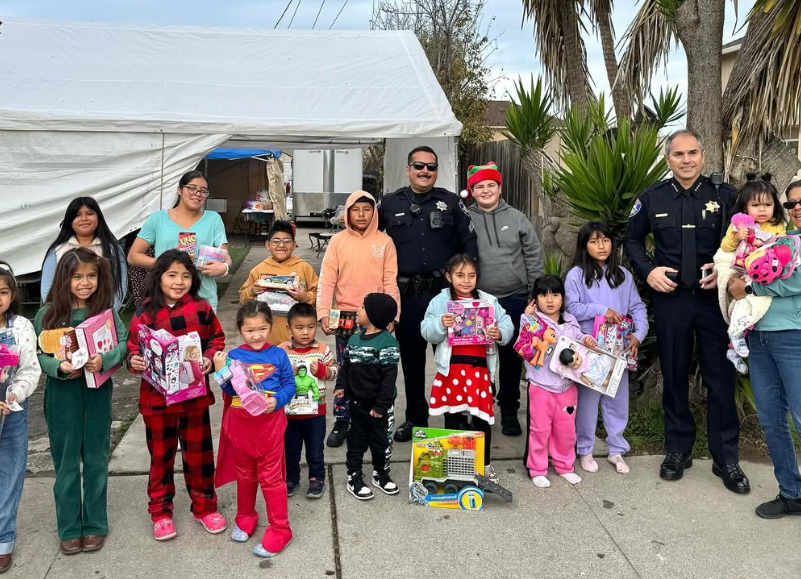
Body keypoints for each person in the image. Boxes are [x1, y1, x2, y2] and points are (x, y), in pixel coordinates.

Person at [624, 129, 750, 493]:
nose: (687, 160)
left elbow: (746, 243)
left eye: (693, 152)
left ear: (703, 156)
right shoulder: (651, 198)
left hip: (715, 302)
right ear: (668, 159)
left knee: (721, 378)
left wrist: (727, 272)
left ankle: (726, 458)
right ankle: (677, 450)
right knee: (675, 374)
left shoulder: (724, 196)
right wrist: (648, 271)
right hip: (672, 300)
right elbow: (631, 238)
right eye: (678, 154)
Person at [378, 146, 478, 442]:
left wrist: (467, 286)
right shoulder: (390, 203)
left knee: (450, 360)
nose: (425, 171)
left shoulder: (451, 203)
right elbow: (368, 238)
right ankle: (416, 419)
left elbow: (469, 244)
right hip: (407, 297)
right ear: (408, 169)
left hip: (444, 297)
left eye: (431, 167)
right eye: (419, 165)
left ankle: (454, 418)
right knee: (411, 362)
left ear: (437, 171)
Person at [127, 249, 227, 541]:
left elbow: (216, 339)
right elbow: (133, 349)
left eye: (185, 275)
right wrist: (134, 360)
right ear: (159, 278)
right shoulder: (144, 313)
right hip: (157, 403)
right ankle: (160, 512)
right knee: (161, 457)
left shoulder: (201, 308)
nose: (179, 281)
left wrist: (209, 359)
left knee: (200, 455)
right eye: (172, 274)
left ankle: (205, 506)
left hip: (193, 399)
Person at [33, 248, 128, 555]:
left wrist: (105, 359)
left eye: (91, 276)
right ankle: (70, 527)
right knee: (66, 464)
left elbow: (124, 344)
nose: (85, 283)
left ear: (100, 279)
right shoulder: (47, 315)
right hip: (63, 399)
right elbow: (38, 354)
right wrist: (57, 367)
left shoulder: (106, 314)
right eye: (77, 276)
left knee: (98, 459)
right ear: (64, 278)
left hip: (98, 395)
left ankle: (96, 524)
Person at [728, 179, 801, 518]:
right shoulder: (778, 241)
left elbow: (792, 281)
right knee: (772, 419)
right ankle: (791, 493)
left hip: (793, 338)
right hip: (759, 337)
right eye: (791, 203)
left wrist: (750, 286)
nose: (796, 207)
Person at [420, 254, 513, 483]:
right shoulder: (440, 302)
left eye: (471, 275)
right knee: (452, 416)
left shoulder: (488, 301)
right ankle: (453, 464)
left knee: (482, 419)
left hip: (479, 371)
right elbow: (426, 330)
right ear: (449, 276)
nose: (466, 280)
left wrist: (499, 333)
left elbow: (507, 322)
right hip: (451, 370)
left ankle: (484, 465)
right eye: (460, 275)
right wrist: (441, 324)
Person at [466, 162, 544, 436]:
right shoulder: (465, 218)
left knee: (511, 359)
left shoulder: (518, 218)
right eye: (479, 187)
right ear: (472, 191)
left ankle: (509, 410)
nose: (486, 190)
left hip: (514, 298)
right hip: (477, 303)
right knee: (479, 360)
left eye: (491, 185)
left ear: (500, 188)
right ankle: (481, 410)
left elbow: (533, 256)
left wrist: (534, 294)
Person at [212, 301, 295, 558]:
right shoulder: (235, 355)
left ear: (271, 326)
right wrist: (221, 371)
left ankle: (281, 528)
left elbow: (290, 385)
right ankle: (246, 516)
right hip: (242, 425)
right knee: (245, 473)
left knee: (271, 478)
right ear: (240, 329)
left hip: (269, 426)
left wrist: (276, 401)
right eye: (250, 330)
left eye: (262, 328)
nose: (257, 335)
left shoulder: (279, 354)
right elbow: (229, 391)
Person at [317, 190, 400, 448]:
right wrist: (322, 313)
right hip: (346, 320)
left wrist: (393, 315)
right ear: (348, 213)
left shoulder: (385, 242)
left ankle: (372, 416)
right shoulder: (338, 242)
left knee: (375, 371)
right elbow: (327, 279)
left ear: (374, 212)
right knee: (346, 370)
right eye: (356, 209)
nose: (361, 214)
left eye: (367, 209)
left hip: (377, 321)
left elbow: (390, 281)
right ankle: (343, 419)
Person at [565, 222, 648, 474]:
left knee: (617, 399)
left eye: (605, 240)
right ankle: (585, 449)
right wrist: (601, 310)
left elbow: (637, 307)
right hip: (590, 349)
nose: (601, 246)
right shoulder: (576, 275)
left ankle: (616, 449)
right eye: (594, 241)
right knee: (588, 401)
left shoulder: (622, 275)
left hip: (619, 347)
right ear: (584, 245)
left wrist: (638, 335)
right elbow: (571, 308)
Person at [518, 275, 596, 488]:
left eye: (555, 294)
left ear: (563, 298)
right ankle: (537, 468)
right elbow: (524, 346)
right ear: (535, 299)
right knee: (540, 429)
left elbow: (581, 344)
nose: (549, 300)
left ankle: (564, 466)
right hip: (541, 387)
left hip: (567, 388)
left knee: (565, 430)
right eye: (543, 295)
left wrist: (589, 340)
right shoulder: (531, 320)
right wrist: (528, 318)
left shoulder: (571, 321)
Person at [128, 170, 231, 311]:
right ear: (179, 190)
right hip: (165, 297)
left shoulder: (213, 219)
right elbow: (133, 256)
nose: (197, 194)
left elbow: (225, 255)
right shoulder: (158, 219)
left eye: (203, 191)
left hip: (203, 297)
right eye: (192, 188)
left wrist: (224, 267)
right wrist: (164, 262)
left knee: (203, 334)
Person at [333, 293, 400, 500]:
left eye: (362, 307)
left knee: (381, 443)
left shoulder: (387, 344)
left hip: (379, 407)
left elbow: (389, 380)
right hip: (357, 404)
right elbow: (346, 366)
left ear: (372, 315)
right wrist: (341, 385)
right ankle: (354, 477)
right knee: (356, 442)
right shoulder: (353, 339)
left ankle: (381, 474)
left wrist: (381, 406)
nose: (358, 310)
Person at [716, 174, 786, 371]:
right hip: (741, 269)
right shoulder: (739, 225)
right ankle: (735, 336)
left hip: (761, 272)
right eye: (756, 205)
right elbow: (725, 245)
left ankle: (734, 346)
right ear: (745, 207)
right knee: (741, 303)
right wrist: (737, 236)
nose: (762, 209)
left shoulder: (776, 226)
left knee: (754, 308)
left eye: (767, 204)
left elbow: (779, 247)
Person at [0, 261, 42, 572]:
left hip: (11, 411)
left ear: (12, 294)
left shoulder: (21, 327)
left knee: (9, 475)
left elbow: (29, 368)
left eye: (2, 292)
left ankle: (3, 539)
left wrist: (13, 394)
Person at [278, 302, 338, 499]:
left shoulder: (322, 349)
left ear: (316, 326)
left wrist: (322, 370)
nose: (305, 332)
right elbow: (272, 376)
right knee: (290, 448)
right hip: (290, 411)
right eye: (299, 327)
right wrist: (287, 371)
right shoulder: (281, 351)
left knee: (315, 447)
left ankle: (317, 477)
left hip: (315, 411)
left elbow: (336, 371)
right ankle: (291, 477)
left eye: (310, 327)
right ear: (289, 328)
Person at [238, 220, 318, 346]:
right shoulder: (259, 270)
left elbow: (319, 295)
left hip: (296, 340)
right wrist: (252, 291)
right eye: (276, 241)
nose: (281, 245)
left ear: (294, 244)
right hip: (267, 340)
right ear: (268, 245)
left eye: (287, 241)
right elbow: (243, 298)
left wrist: (304, 297)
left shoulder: (304, 268)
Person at [40, 197, 128, 309]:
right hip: (64, 316)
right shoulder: (57, 251)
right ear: (69, 220)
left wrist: (107, 314)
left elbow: (120, 286)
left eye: (89, 213)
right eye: (77, 215)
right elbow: (47, 289)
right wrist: (60, 313)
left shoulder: (112, 250)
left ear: (99, 218)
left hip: (103, 316)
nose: (84, 218)